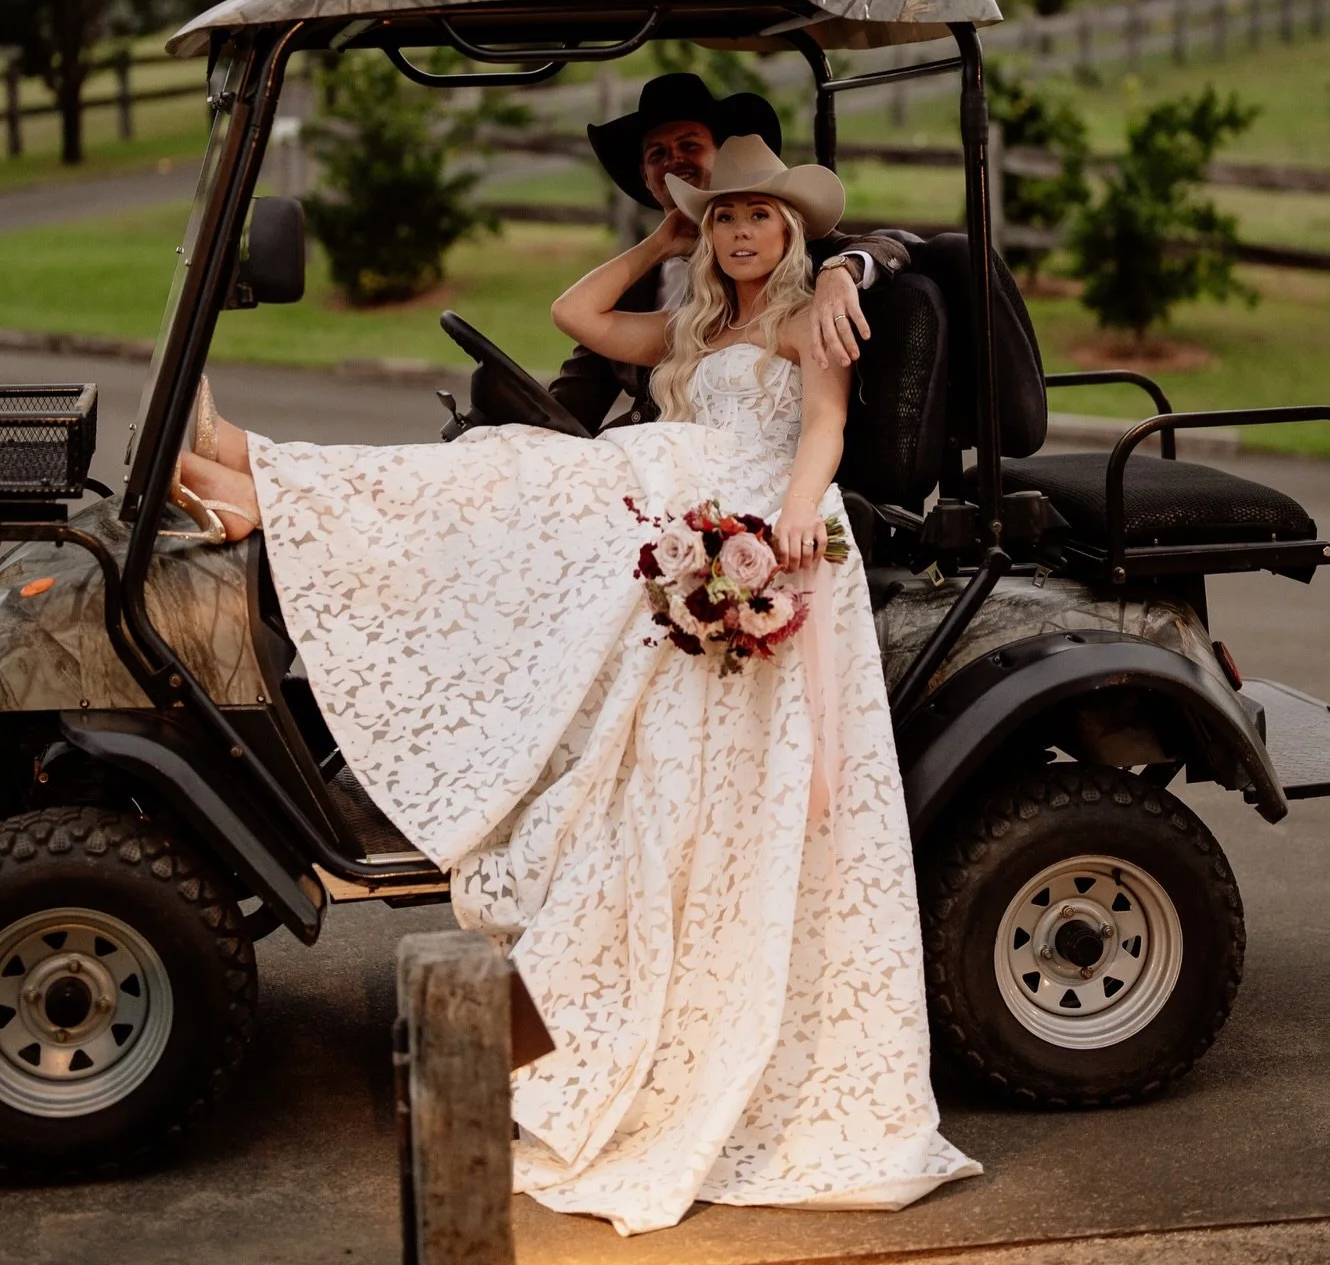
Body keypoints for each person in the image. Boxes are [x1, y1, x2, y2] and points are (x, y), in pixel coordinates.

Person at [173, 137, 979, 1235]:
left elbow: (826, 424)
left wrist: (794, 509)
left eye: (760, 218)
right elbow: (576, 316)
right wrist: (664, 234)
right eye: (727, 217)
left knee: (513, 469)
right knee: (505, 467)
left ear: (793, 232)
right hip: (666, 499)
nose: (741, 233)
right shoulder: (698, 326)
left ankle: (265, 483)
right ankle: (260, 471)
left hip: (732, 510)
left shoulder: (804, 319)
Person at [553, 71, 912, 432]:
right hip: (655, 447)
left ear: (724, 157)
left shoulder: (793, 243)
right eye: (657, 154)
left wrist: (839, 270)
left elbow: (891, 244)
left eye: (689, 146)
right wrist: (659, 244)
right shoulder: (633, 282)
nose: (673, 160)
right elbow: (572, 400)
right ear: (646, 179)